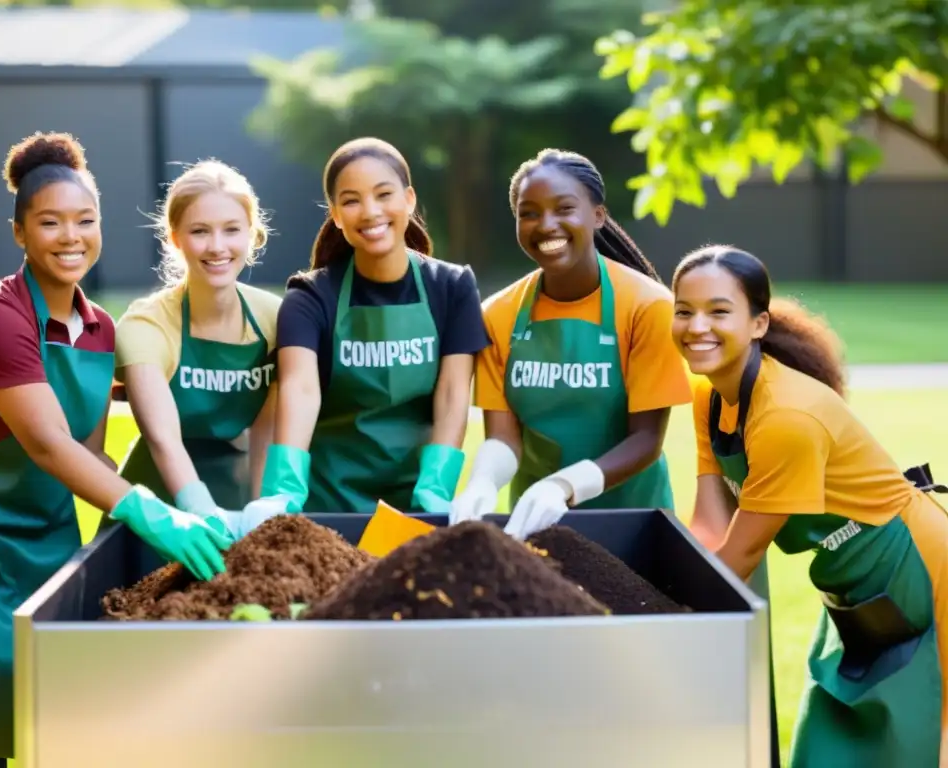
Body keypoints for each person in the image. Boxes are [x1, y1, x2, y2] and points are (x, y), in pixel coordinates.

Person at [0, 132, 230, 768]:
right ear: (19, 233)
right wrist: (147, 510)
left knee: (46, 724)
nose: (71, 237)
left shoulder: (100, 327)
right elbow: (47, 444)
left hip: (49, 543)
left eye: (85, 221)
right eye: (50, 222)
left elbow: (87, 457)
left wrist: (163, 506)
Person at [673, 244, 948, 768]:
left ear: (758, 324)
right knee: (830, 746)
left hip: (919, 571)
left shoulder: (786, 419)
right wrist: (672, 588)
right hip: (851, 588)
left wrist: (661, 623)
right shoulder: (711, 398)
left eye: (718, 311)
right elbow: (711, 526)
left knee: (930, 739)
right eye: (684, 310)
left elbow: (741, 554)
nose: (696, 326)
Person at [452, 148, 692, 540]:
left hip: (635, 521)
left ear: (597, 216)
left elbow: (647, 439)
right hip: (536, 523)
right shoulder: (498, 314)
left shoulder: (647, 306)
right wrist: (482, 483)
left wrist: (562, 487)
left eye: (564, 208)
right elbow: (503, 437)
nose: (546, 225)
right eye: (528, 213)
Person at [246, 137, 489, 516]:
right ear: (336, 215)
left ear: (408, 200)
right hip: (329, 505)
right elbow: (300, 389)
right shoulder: (309, 297)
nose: (370, 211)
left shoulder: (453, 288)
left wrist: (436, 487)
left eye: (383, 194)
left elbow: (453, 391)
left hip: (416, 504)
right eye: (351, 200)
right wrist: (284, 489)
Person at [110, 160, 281, 539]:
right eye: (200, 231)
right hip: (158, 504)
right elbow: (162, 437)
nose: (217, 247)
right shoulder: (146, 325)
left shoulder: (276, 320)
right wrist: (198, 509)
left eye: (232, 230)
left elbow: (267, 430)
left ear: (252, 235)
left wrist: (261, 513)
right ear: (175, 238)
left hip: (237, 487)